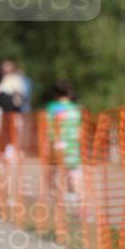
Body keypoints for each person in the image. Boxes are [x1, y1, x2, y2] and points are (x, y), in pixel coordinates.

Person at [45, 79, 82, 211]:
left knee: (52, 177)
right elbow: (79, 130)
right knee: (73, 177)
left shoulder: (52, 108)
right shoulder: (75, 109)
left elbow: (50, 130)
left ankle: (58, 206)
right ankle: (79, 208)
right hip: (73, 147)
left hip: (57, 148)